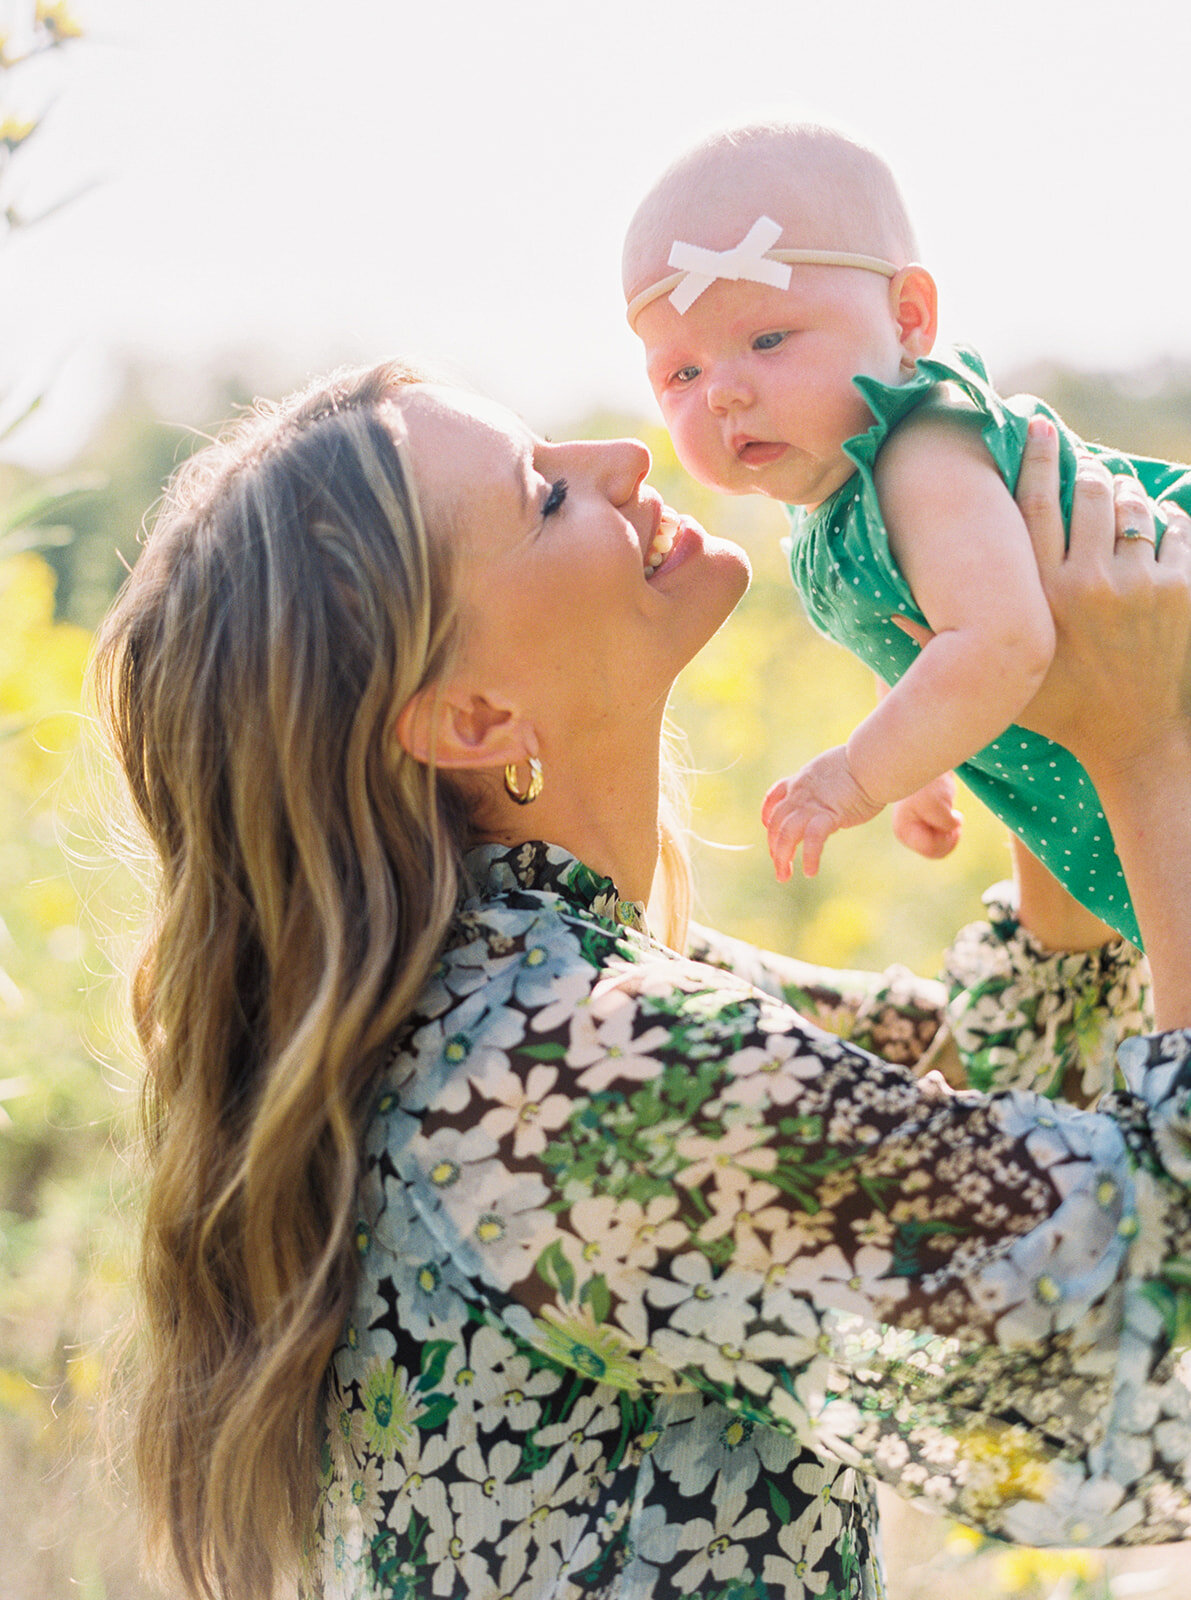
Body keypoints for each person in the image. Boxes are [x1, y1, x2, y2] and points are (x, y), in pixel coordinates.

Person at [92, 359, 1191, 1600]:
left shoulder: (520, 1006)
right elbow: (1130, 1330)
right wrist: (1148, 752)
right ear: (474, 718)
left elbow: (990, 1122)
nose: (624, 461)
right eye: (544, 496)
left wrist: (1034, 724)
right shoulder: (572, 1067)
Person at [622, 120, 1191, 951]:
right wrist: (924, 748)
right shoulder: (840, 492)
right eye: (683, 372)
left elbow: (999, 641)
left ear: (907, 318)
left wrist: (861, 773)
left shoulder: (924, 454)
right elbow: (924, 622)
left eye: (768, 339)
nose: (722, 393)